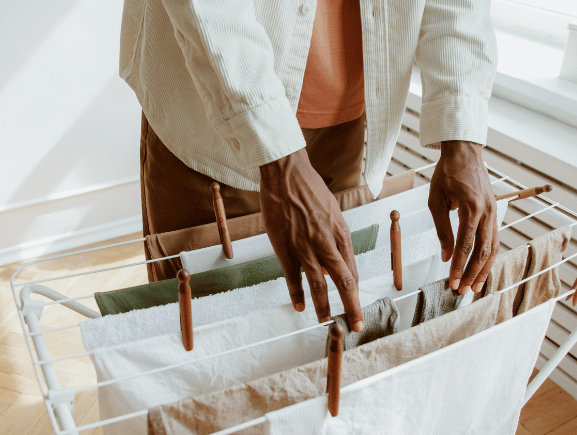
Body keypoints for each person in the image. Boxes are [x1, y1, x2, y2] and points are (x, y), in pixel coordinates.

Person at [120, 0, 499, 333]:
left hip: (347, 120)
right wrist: (278, 157)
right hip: (211, 117)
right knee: (202, 327)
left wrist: (462, 131)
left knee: (320, 325)